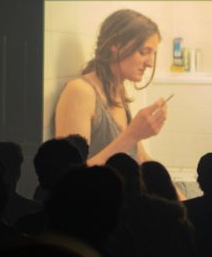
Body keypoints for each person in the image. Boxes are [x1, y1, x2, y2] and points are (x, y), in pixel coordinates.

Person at [54, 9, 170, 165]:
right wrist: (133, 135)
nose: (150, 63)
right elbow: (69, 175)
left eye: (153, 54)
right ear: (115, 45)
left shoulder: (118, 91)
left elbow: (141, 157)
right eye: (144, 52)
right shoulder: (79, 92)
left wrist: (167, 181)